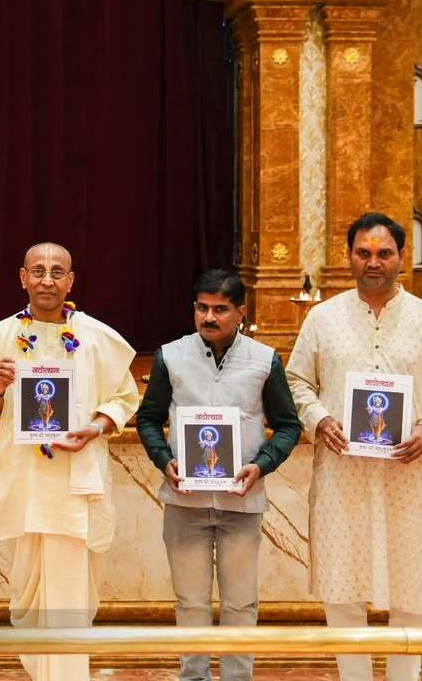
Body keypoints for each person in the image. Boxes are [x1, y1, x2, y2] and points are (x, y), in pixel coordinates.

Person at [286, 212, 422, 681]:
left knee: (412, 594)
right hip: (343, 480)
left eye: (384, 253)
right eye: (364, 253)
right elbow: (295, 382)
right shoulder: (322, 319)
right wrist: (320, 419)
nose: (374, 262)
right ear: (349, 257)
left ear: (401, 257)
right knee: (343, 595)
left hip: (410, 479)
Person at [0, 242, 139, 681]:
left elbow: (124, 398)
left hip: (75, 483)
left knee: (73, 595)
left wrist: (96, 427)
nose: (47, 280)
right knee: (27, 595)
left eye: (57, 272)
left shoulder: (96, 336)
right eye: (38, 271)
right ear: (22, 277)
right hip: (24, 482)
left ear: (71, 280)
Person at [136, 269, 302, 681]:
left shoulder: (264, 360)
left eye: (220, 309)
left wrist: (261, 465)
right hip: (185, 501)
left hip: (241, 501)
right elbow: (149, 419)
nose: (209, 317)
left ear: (241, 312)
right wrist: (164, 460)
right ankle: (193, 676)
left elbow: (288, 426)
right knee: (190, 602)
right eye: (202, 308)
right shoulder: (171, 356)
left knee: (240, 603)